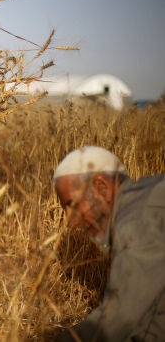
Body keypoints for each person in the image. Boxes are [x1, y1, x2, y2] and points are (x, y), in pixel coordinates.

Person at [53, 146, 165, 341]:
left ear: (102, 188)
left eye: (72, 204)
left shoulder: (134, 223)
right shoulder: (151, 192)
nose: (71, 222)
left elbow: (123, 316)